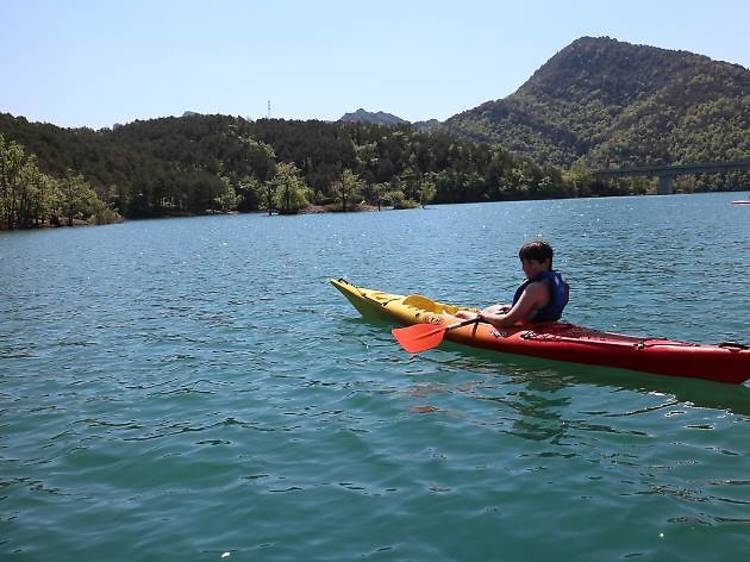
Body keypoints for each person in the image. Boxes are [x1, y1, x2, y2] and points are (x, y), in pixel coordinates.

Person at [455, 240, 569, 328]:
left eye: (530, 263)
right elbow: (540, 308)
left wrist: (483, 316)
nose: (525, 268)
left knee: (460, 314)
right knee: (496, 307)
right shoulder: (559, 283)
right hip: (545, 326)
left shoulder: (534, 288)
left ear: (546, 262)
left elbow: (506, 321)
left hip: (524, 328)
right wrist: (510, 308)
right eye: (523, 263)